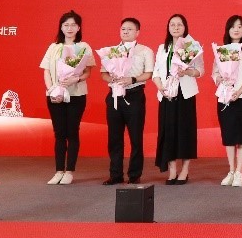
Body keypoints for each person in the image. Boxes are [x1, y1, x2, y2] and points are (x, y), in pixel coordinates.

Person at [39, 10, 94, 185]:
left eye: (73, 25)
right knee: (59, 134)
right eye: (66, 25)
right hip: (55, 95)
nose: (69, 28)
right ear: (61, 28)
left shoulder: (84, 47)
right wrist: (52, 90)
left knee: (72, 132)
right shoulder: (53, 47)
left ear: (78, 28)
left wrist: (75, 79)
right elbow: (46, 71)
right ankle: (58, 171)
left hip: (76, 94)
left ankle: (69, 171)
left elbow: (88, 72)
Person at [98, 17, 154, 185]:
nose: (125, 32)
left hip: (134, 95)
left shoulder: (145, 51)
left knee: (136, 137)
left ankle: (134, 174)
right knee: (114, 137)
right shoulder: (111, 51)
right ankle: (115, 174)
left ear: (137, 32)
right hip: (115, 95)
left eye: (130, 29)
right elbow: (103, 73)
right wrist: (111, 78)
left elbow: (149, 73)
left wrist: (132, 79)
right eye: (123, 29)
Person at [152, 14, 203, 185]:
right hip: (166, 93)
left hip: (185, 93)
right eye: (172, 25)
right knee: (168, 132)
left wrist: (186, 71)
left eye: (179, 25)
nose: (175, 27)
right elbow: (156, 72)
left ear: (185, 27)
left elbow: (200, 71)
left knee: (185, 132)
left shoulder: (192, 46)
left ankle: (185, 170)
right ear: (168, 28)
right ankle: (172, 170)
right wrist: (160, 86)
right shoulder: (162, 48)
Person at [214, 14, 242, 187]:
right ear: (228, 30)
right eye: (233, 27)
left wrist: (238, 92)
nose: (236, 29)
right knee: (229, 135)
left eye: (239, 26)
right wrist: (220, 79)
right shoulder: (221, 50)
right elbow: (215, 72)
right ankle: (231, 170)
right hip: (224, 97)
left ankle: (239, 172)